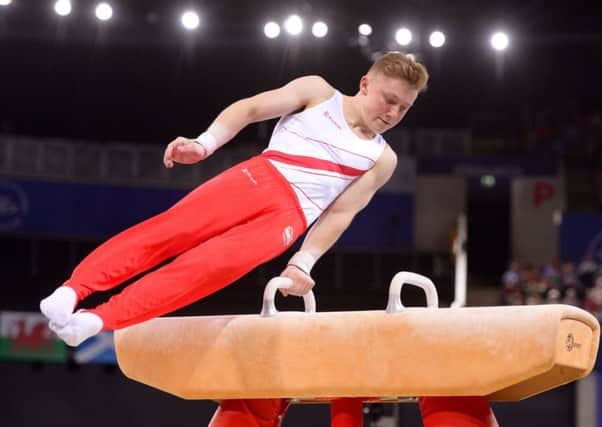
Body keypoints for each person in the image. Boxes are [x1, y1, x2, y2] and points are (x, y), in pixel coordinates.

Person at [40, 51, 429, 347]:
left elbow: (341, 213)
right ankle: (72, 291)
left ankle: (98, 321)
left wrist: (302, 262)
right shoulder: (318, 92)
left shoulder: (382, 158)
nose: (393, 112)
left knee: (201, 273)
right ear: (364, 84)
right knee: (169, 233)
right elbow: (251, 108)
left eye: (404, 108)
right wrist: (204, 144)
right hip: (259, 178)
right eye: (388, 99)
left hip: (288, 220)